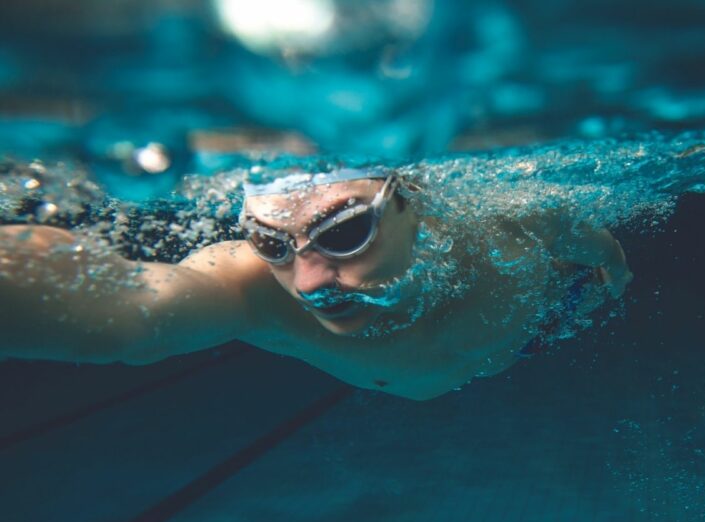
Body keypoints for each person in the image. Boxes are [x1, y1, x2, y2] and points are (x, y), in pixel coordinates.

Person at [0, 167, 631, 400]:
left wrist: (618, 276)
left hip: (544, 326)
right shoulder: (251, 289)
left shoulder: (516, 223)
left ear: (412, 198)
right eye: (272, 243)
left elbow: (594, 245)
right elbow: (134, 316)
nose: (306, 282)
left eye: (344, 231)